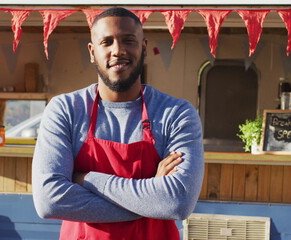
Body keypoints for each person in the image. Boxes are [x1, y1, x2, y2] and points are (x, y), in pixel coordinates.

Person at [32, 7, 204, 240]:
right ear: (92, 52)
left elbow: (177, 202)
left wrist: (86, 179)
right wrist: (151, 197)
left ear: (143, 48)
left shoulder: (177, 113)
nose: (118, 50)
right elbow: (49, 201)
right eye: (107, 42)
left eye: (128, 41)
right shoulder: (65, 110)